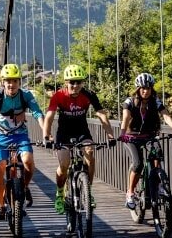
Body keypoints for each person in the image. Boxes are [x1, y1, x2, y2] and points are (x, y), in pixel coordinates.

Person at [41, 64, 116, 214]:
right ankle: (60, 194)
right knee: (64, 164)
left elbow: (101, 114)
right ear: (66, 82)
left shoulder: (89, 95)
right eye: (72, 82)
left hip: (82, 131)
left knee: (90, 153)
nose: (75, 86)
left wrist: (110, 135)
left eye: (78, 82)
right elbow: (49, 116)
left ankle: (88, 192)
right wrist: (46, 136)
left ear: (83, 83)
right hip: (64, 133)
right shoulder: (59, 96)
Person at [0, 63, 44, 220]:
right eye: (8, 81)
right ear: (3, 82)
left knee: (28, 161)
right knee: (0, 166)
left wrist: (46, 133)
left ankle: (23, 188)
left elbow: (38, 113)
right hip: (0, 136)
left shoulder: (26, 95)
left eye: (15, 81)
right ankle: (0, 205)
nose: (11, 84)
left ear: (19, 82)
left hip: (20, 135)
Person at [120, 72, 172, 209]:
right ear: (138, 89)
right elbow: (125, 117)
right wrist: (122, 133)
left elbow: (166, 116)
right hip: (131, 137)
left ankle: (159, 183)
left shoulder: (155, 101)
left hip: (149, 136)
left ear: (151, 89)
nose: (145, 91)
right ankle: (130, 193)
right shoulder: (130, 101)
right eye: (143, 88)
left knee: (157, 153)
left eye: (148, 88)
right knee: (138, 164)